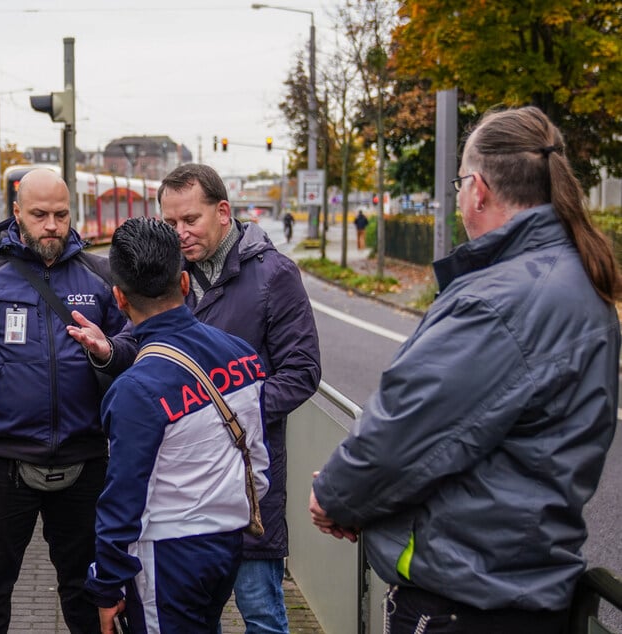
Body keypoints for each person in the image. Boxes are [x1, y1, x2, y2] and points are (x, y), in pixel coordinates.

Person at [310, 105, 622, 633]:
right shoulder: (576, 282)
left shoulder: (498, 300)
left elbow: (409, 427)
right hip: (523, 583)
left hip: (461, 596)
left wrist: (336, 497)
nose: (457, 200)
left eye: (458, 185)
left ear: (478, 189)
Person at [0, 167, 136, 633]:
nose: (52, 226)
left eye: (61, 215)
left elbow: (134, 347)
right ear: (16, 212)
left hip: (85, 459)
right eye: (40, 214)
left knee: (90, 596)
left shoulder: (100, 276)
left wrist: (110, 352)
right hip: (1, 461)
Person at [84, 218, 271, 633]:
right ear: (184, 283)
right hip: (228, 542)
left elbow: (123, 499)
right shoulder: (243, 357)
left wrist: (107, 585)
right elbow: (256, 455)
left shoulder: (136, 389)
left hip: (166, 558)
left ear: (119, 299)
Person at [159, 163, 321, 633]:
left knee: (262, 615)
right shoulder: (170, 276)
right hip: (184, 484)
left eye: (189, 220)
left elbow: (303, 372)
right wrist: (110, 351)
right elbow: (144, 342)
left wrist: (226, 414)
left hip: (250, 479)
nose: (180, 233)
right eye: (169, 225)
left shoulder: (274, 276)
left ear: (223, 212)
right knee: (189, 616)